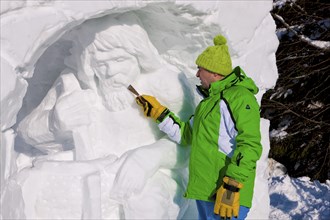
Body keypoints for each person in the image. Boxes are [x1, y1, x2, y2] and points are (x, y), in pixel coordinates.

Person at [136, 35, 262, 220]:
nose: (197, 74)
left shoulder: (239, 98)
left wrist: (232, 186)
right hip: (206, 192)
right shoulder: (209, 103)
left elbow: (250, 145)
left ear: (214, 73)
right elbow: (187, 135)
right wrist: (159, 113)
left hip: (227, 194)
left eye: (200, 69)